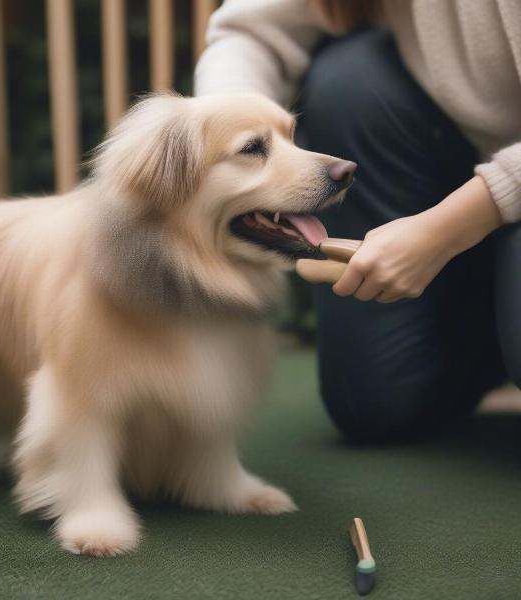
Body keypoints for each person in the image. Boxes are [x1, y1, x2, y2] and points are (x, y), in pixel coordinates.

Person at [195, 0, 521, 442]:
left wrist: (442, 232)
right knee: (374, 406)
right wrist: (217, 136)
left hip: (501, 192)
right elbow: (250, 32)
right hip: (461, 154)